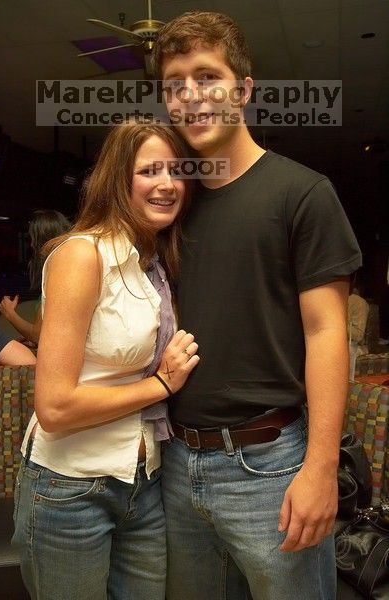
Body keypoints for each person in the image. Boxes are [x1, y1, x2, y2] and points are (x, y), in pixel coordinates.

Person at [152, 11, 362, 600]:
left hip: (269, 465)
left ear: (243, 89)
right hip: (174, 461)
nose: (190, 96)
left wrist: (320, 467)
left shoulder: (303, 193)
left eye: (206, 76)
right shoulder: (172, 203)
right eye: (174, 85)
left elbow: (327, 334)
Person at [11, 121, 199, 600]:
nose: (167, 183)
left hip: (143, 481)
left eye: (177, 171)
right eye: (150, 170)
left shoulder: (150, 263)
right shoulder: (82, 254)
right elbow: (54, 408)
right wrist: (161, 384)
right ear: (119, 180)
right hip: (70, 489)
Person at [0, 209, 71, 344]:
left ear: (43, 240)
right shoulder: (69, 268)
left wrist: (9, 313)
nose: (31, 244)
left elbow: (38, 335)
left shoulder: (58, 275)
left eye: (33, 239)